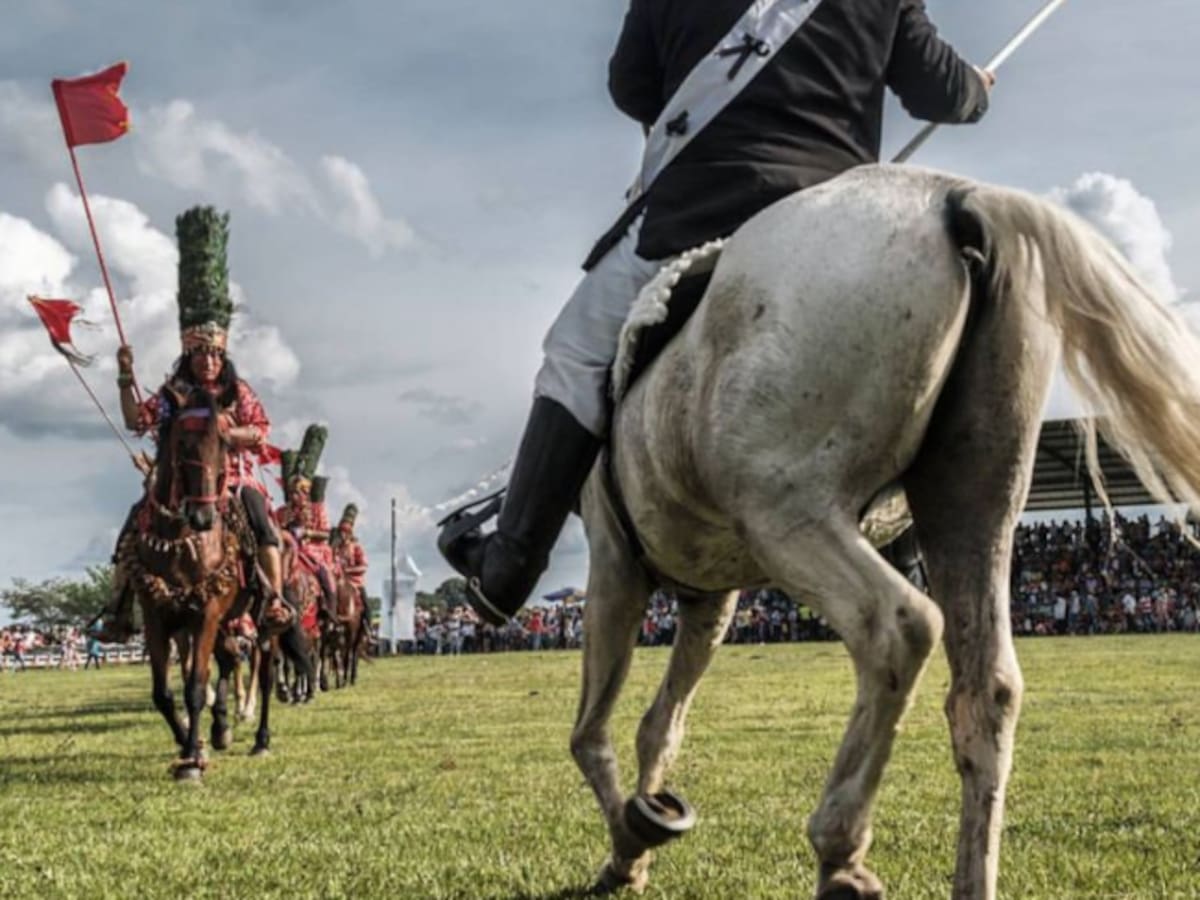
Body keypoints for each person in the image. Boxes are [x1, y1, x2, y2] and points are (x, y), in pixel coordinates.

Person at [439, 0, 994, 626]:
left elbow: (632, 85)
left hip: (695, 214)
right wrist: (977, 85)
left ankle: (507, 568)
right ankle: (911, 551)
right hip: (825, 217)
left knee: (574, 351)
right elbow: (945, 94)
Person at [93, 207, 287, 640]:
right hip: (180, 482)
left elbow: (260, 431)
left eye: (216, 352)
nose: (210, 359)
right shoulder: (172, 394)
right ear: (188, 353)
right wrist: (125, 375)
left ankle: (273, 600)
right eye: (201, 351)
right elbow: (135, 420)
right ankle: (119, 609)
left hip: (233, 481)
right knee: (131, 527)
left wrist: (225, 433)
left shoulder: (239, 392)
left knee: (262, 523)